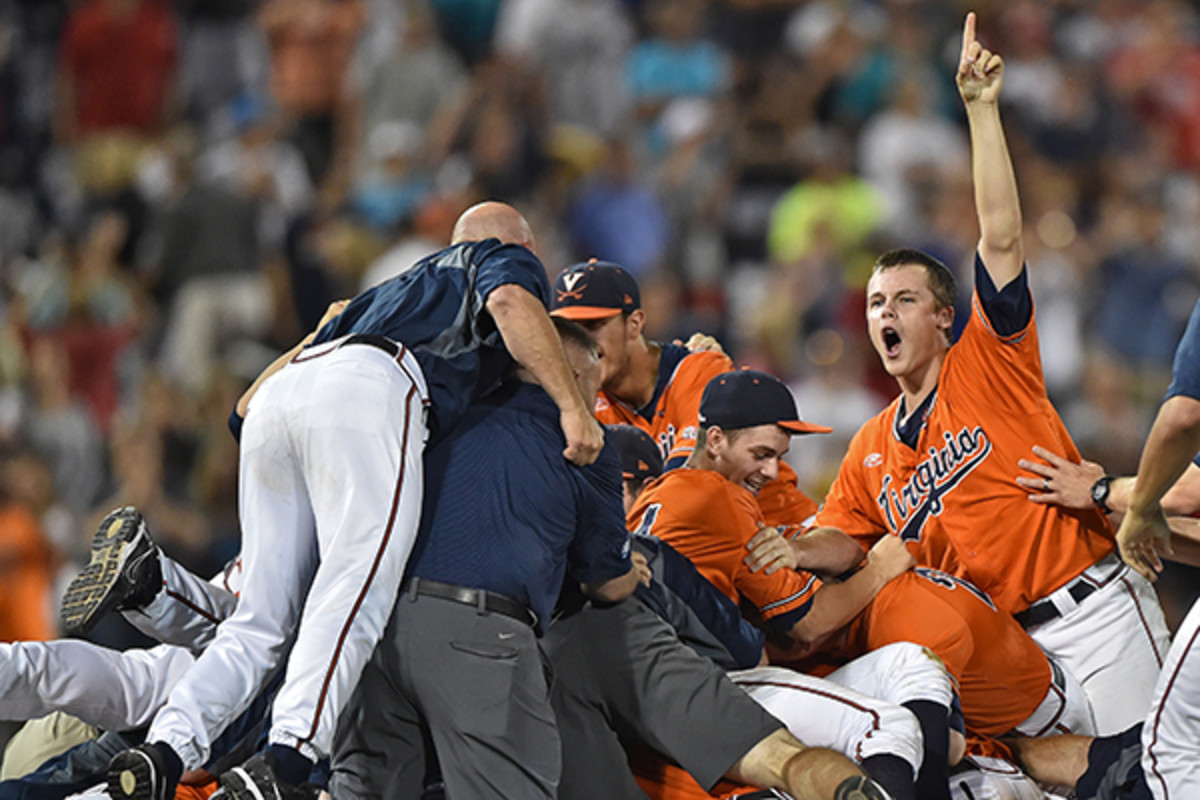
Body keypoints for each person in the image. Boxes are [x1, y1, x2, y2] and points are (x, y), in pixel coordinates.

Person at [97, 201, 604, 800]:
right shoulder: (494, 257)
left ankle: (166, 747)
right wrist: (575, 408)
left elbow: (242, 413)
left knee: (261, 618)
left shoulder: (378, 294)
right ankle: (285, 762)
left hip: (287, 389)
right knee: (354, 586)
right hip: (371, 391)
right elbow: (511, 303)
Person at [814, 13, 1169, 735]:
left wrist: (981, 111)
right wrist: (788, 541)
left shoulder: (991, 358)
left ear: (944, 318)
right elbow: (841, 542)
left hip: (1096, 616)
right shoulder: (869, 449)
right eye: (877, 302)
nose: (887, 312)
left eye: (906, 299)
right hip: (1010, 659)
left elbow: (1001, 235)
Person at [329, 318, 640, 799]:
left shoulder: (444, 413)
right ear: (572, 377)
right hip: (477, 637)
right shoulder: (586, 443)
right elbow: (610, 584)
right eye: (593, 389)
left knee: (363, 790)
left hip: (372, 623)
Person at [544, 424, 901, 800]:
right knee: (803, 755)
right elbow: (748, 652)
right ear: (641, 488)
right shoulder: (657, 551)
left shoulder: (540, 551)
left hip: (545, 674)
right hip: (662, 676)